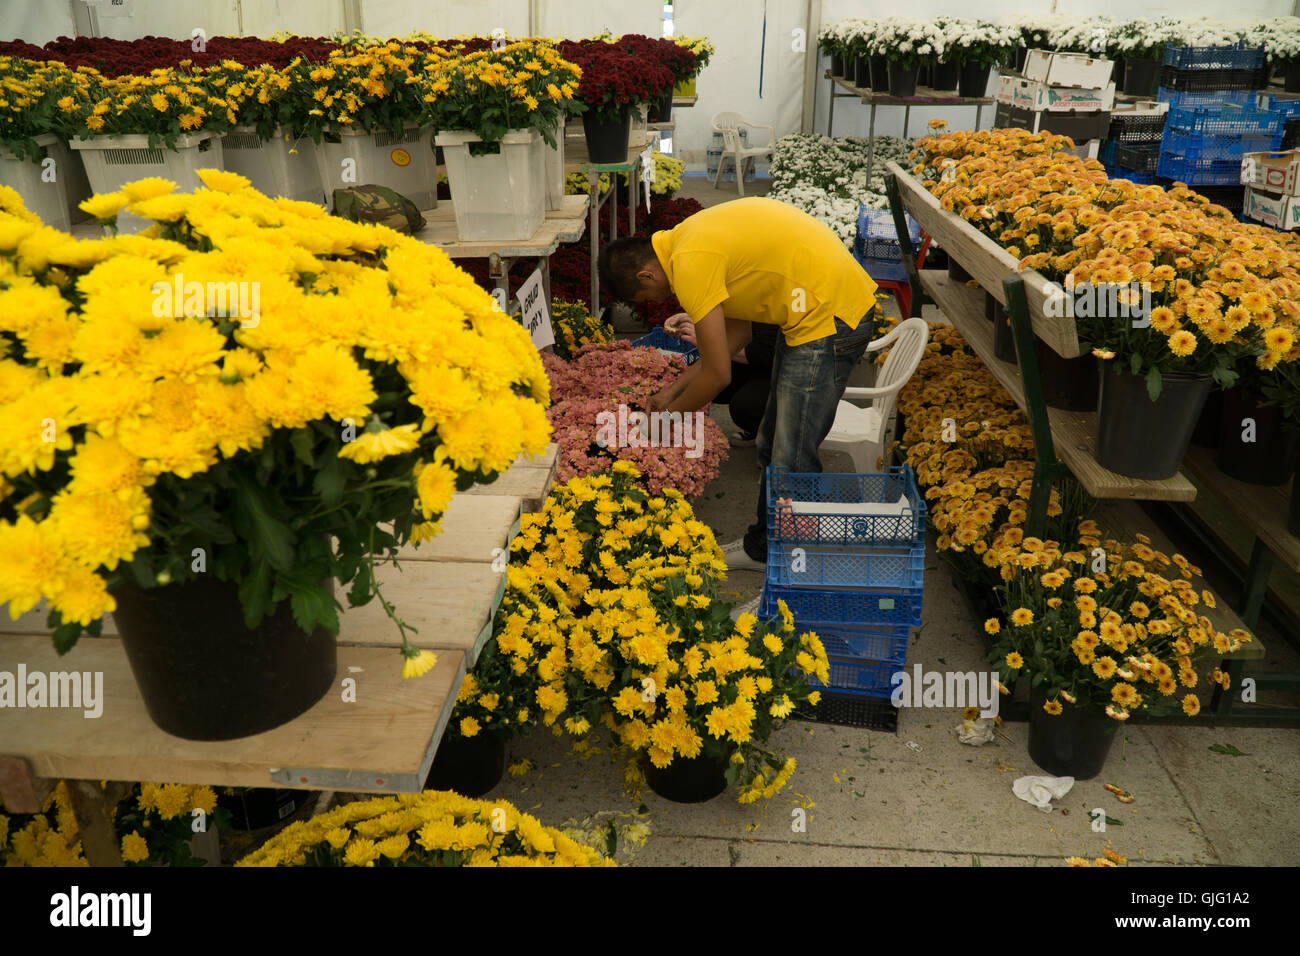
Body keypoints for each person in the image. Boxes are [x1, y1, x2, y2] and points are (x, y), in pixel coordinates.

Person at [597, 196, 879, 571]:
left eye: (645, 297)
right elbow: (737, 337)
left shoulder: (689, 262)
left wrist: (659, 425)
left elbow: (718, 375)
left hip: (829, 319)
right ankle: (764, 545)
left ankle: (793, 565)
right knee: (772, 441)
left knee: (792, 454)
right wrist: (671, 391)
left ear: (646, 275)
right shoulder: (687, 242)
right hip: (815, 313)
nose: (653, 302)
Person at [662, 312, 777, 444]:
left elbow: (763, 352)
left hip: (780, 364)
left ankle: (771, 436)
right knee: (699, 380)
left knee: (744, 406)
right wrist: (697, 320)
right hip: (755, 354)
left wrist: (666, 417)